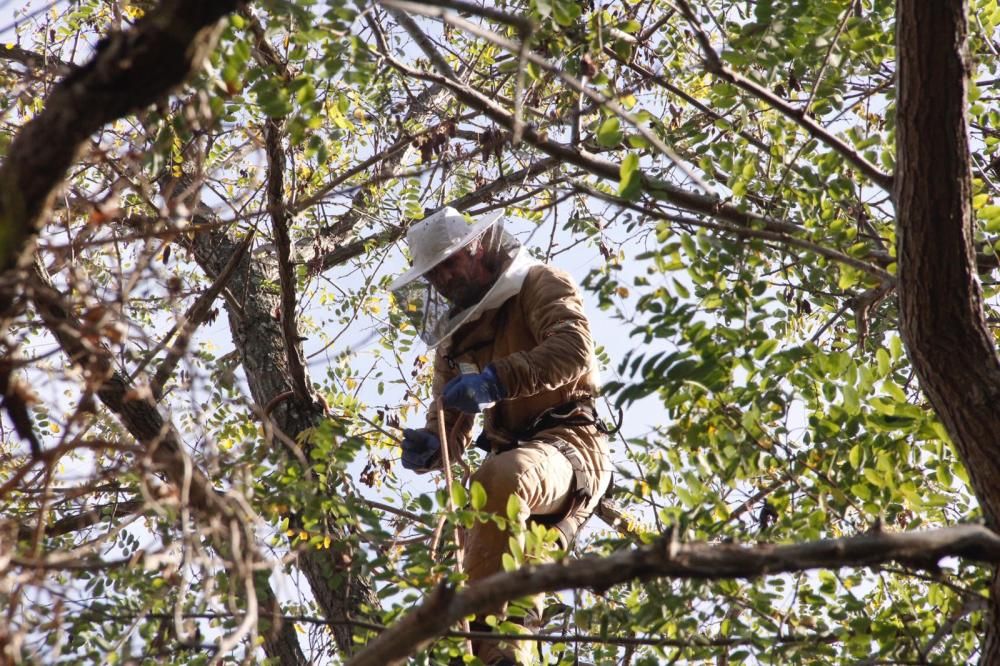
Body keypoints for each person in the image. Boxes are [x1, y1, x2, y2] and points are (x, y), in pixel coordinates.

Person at [389, 206, 612, 665]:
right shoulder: (455, 338)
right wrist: (434, 446)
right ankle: (498, 655)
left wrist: (498, 380)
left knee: (499, 480)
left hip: (570, 446)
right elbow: (449, 420)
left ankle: (485, 642)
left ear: (478, 247)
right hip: (518, 481)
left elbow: (573, 349)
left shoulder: (540, 282)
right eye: (434, 274)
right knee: (504, 598)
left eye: (450, 263)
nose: (444, 279)